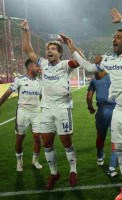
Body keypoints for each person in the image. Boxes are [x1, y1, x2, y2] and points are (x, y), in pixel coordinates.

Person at [68, 8, 122, 200]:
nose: (114, 39)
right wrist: (72, 48)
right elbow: (88, 67)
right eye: (114, 37)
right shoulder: (110, 60)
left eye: (119, 36)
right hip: (118, 110)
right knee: (119, 150)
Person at [21, 20, 81, 189]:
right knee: (47, 143)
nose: (49, 50)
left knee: (66, 142)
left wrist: (70, 44)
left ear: (60, 54)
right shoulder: (43, 64)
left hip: (63, 109)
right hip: (46, 109)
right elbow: (28, 50)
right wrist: (26, 31)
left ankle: (73, 171)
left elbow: (81, 60)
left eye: (53, 48)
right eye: (48, 48)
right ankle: (54, 173)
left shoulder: (65, 65)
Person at [0, 59, 42, 171]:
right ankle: (19, 161)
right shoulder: (19, 80)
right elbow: (8, 93)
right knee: (19, 139)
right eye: (36, 66)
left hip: (36, 113)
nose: (38, 68)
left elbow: (44, 98)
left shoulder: (40, 82)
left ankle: (35, 160)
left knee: (38, 138)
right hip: (22, 113)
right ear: (29, 67)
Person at [87, 71, 118, 177]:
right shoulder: (115, 74)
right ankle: (112, 167)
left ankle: (100, 157)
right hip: (116, 109)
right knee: (116, 138)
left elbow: (89, 96)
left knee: (100, 135)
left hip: (102, 110)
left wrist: (90, 107)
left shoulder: (95, 78)